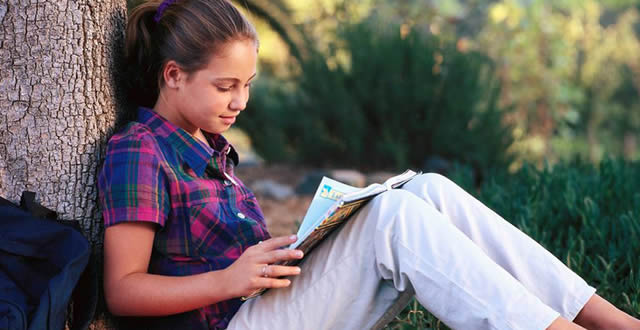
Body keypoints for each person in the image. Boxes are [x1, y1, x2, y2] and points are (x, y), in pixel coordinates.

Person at [98, 0, 640, 329]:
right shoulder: (140, 151)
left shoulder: (209, 147)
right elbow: (123, 289)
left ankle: (606, 320)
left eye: (247, 85)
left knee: (426, 190)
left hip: (264, 307)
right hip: (230, 322)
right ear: (172, 75)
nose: (240, 100)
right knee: (392, 220)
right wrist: (228, 280)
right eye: (225, 86)